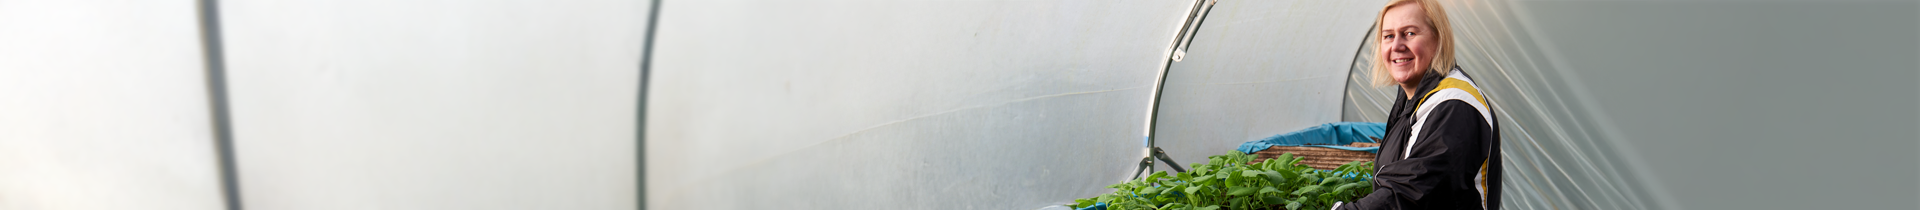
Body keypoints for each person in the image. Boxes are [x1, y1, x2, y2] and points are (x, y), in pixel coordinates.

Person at [1333, 0, 1502, 209]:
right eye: (1388, 36)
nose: (1397, 46)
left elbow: (1408, 194)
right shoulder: (1415, 99)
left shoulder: (1453, 106)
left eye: (1409, 33)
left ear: (1438, 39)